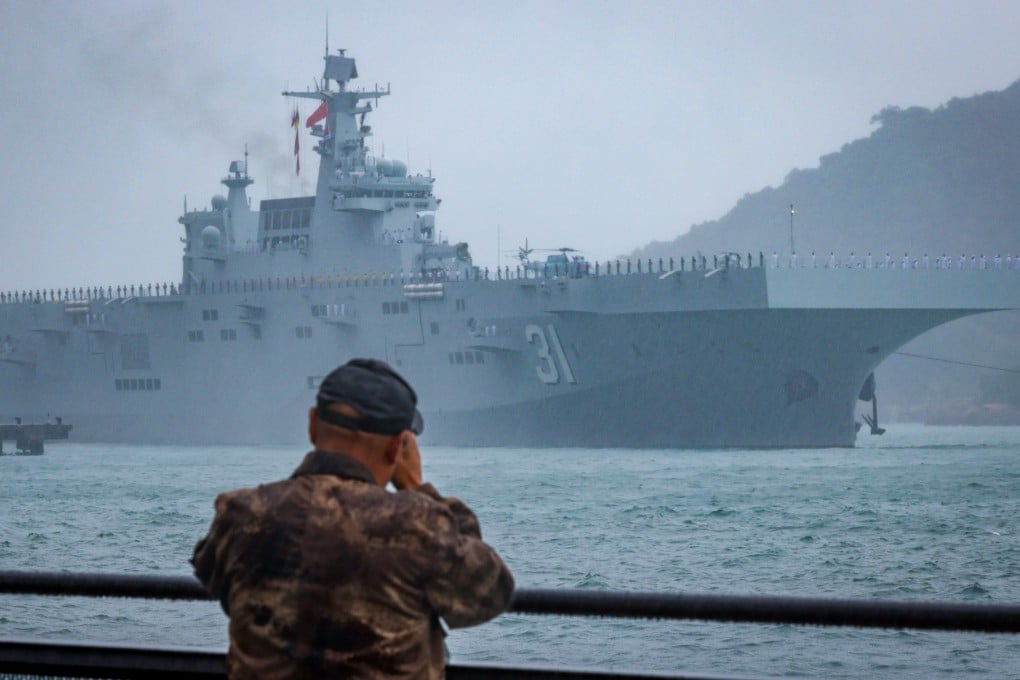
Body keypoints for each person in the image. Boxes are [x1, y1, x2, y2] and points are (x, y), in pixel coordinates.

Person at [192, 358, 514, 679]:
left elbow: (213, 576)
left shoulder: (240, 515)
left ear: (312, 424)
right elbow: (490, 592)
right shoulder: (418, 524)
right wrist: (417, 487)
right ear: (397, 448)